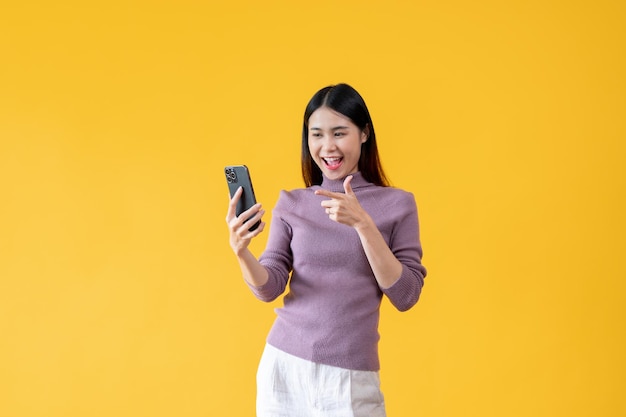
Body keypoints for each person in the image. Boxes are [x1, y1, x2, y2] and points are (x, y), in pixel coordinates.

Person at [226, 83, 427, 417]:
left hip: (350, 376)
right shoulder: (292, 203)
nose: (327, 146)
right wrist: (241, 251)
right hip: (283, 368)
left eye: (339, 133)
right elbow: (270, 287)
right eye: (316, 134)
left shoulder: (397, 204)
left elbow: (406, 295)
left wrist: (363, 224)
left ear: (364, 134)